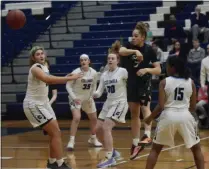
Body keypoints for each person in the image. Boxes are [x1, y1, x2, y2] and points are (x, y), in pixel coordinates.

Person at [23, 46, 82, 169]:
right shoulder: (35, 68)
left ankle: (52, 161)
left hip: (43, 104)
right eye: (38, 54)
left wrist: (66, 76)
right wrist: (69, 78)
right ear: (33, 58)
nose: (41, 55)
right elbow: (48, 80)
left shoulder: (44, 67)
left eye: (42, 53)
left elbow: (49, 78)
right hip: (33, 105)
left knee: (54, 134)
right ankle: (60, 164)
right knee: (55, 133)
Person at [144, 56, 205, 169]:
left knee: (155, 149)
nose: (165, 68)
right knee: (196, 149)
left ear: (173, 68)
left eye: (167, 65)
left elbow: (161, 106)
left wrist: (149, 118)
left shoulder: (164, 82)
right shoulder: (190, 82)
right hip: (185, 116)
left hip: (168, 116)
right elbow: (192, 107)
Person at [119, 22, 161, 160]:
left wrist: (147, 69)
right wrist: (135, 51)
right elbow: (121, 51)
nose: (133, 38)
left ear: (143, 37)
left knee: (145, 108)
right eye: (132, 35)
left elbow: (158, 70)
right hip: (131, 83)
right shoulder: (129, 46)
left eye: (136, 36)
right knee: (134, 114)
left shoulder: (149, 50)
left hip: (144, 82)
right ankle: (135, 143)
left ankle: (147, 135)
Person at [94, 41, 129, 168]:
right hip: (108, 103)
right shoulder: (104, 75)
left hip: (119, 102)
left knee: (106, 127)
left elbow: (132, 81)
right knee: (97, 130)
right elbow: (99, 91)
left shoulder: (123, 71)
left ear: (117, 60)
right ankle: (112, 151)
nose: (110, 60)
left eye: (112, 58)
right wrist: (94, 94)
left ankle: (109, 158)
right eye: (108, 58)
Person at [66, 54, 102, 151]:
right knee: (77, 117)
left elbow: (94, 85)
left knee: (94, 118)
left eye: (85, 60)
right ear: (80, 62)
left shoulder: (94, 72)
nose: (83, 61)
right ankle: (71, 141)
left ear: (89, 61)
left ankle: (93, 138)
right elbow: (68, 86)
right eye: (81, 60)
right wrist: (74, 98)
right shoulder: (76, 72)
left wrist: (92, 95)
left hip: (87, 98)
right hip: (76, 98)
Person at [43, 59, 58, 136]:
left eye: (45, 64)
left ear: (48, 66)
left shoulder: (51, 79)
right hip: (41, 102)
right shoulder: (38, 78)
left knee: (52, 120)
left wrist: (49, 103)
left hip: (50, 102)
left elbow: (55, 95)